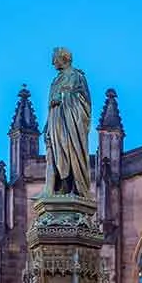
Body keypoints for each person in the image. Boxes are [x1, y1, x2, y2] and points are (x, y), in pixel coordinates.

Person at [43, 46, 92, 198]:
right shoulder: (56, 79)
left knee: (70, 152)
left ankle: (72, 186)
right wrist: (47, 125)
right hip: (55, 122)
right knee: (56, 155)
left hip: (71, 124)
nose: (52, 63)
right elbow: (50, 106)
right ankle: (57, 187)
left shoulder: (77, 76)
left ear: (64, 58)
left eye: (55, 59)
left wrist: (63, 97)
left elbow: (85, 102)